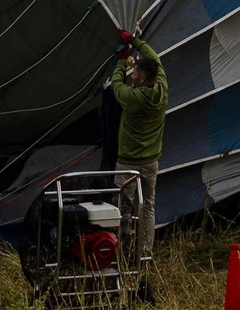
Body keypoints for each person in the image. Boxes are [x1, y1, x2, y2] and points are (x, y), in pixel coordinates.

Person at [110, 28, 165, 301]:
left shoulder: (132, 98)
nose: (133, 74)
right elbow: (154, 57)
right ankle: (144, 255)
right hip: (151, 163)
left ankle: (118, 254)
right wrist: (136, 42)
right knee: (149, 208)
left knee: (122, 208)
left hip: (128, 164)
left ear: (141, 78)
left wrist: (122, 59)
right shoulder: (162, 87)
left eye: (135, 73)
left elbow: (116, 86)